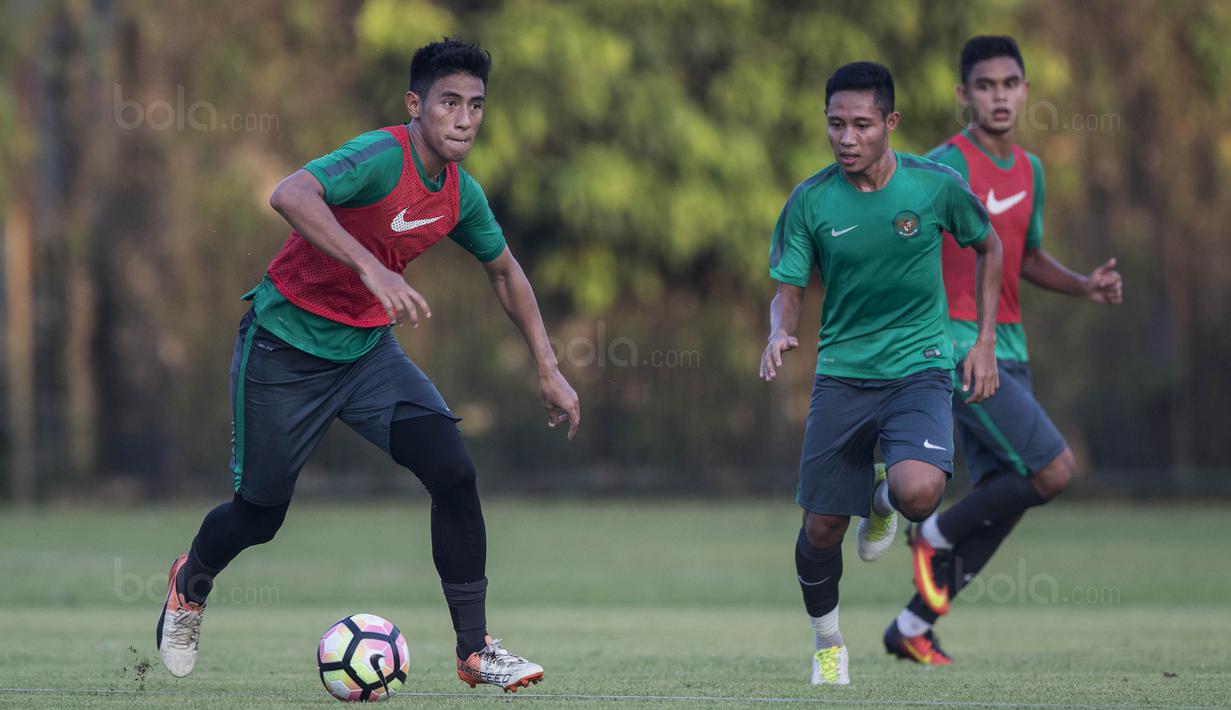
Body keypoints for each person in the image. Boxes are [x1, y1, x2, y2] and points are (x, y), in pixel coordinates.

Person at [154, 38, 580, 693]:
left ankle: (475, 650)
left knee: (454, 471)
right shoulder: (382, 156)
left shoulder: (458, 196)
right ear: (416, 105)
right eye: (448, 102)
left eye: (475, 105)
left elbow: (504, 271)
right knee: (259, 517)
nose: (463, 118)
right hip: (282, 349)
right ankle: (189, 586)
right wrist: (371, 265)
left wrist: (548, 368)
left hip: (365, 357)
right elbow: (290, 193)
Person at [759, 61, 1003, 686]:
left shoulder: (933, 186)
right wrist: (779, 329)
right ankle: (828, 644)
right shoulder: (811, 199)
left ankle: (885, 501)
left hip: (919, 368)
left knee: (921, 492)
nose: (845, 138)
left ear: (890, 123)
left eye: (861, 125)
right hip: (842, 375)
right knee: (820, 528)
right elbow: (788, 286)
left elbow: (989, 245)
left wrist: (983, 342)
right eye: (835, 124)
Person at [883, 36, 1123, 666]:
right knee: (1053, 470)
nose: (998, 96)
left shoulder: (1031, 171)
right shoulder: (941, 168)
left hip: (1010, 345)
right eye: (984, 85)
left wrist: (1083, 286)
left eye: (1009, 84)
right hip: (959, 347)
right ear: (964, 95)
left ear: (1023, 90)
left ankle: (912, 624)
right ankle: (931, 532)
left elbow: (1027, 255)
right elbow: (902, 253)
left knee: (1008, 495)